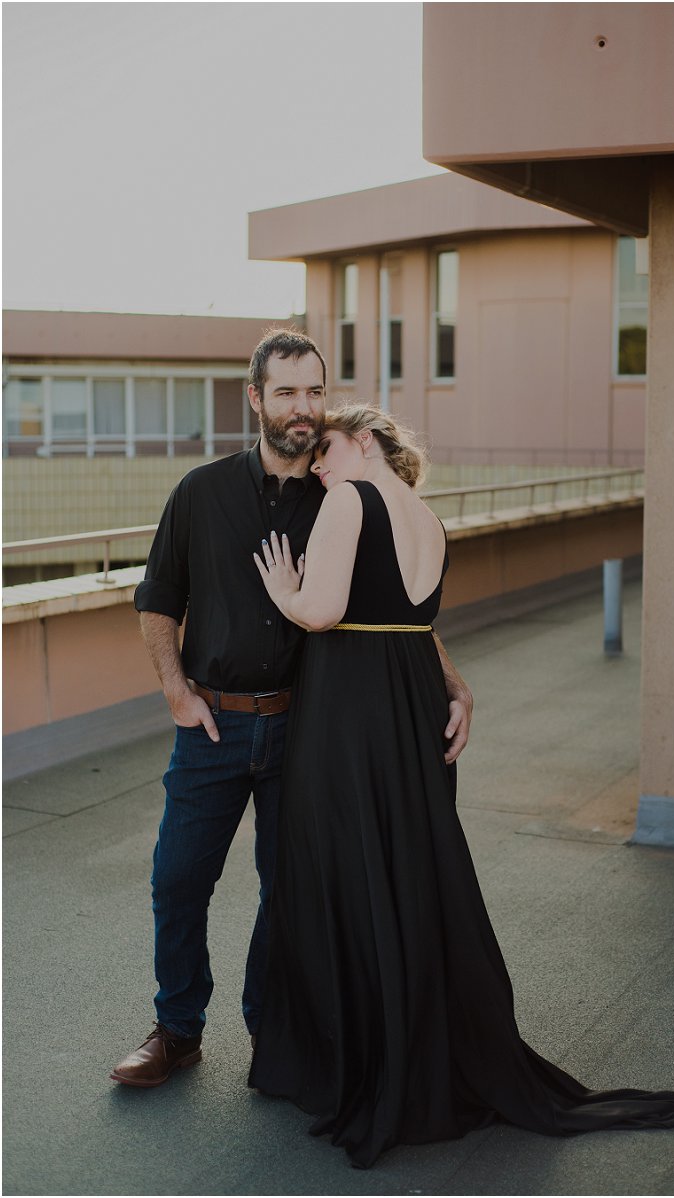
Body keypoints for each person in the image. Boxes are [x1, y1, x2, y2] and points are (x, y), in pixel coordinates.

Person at [248, 403, 674, 1169]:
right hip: (409, 700)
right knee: (408, 871)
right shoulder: (428, 519)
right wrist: (455, 687)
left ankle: (350, 1064)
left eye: (328, 450)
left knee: (344, 865)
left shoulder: (349, 497)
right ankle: (414, 1048)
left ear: (363, 442)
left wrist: (283, 588)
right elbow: (411, 621)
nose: (320, 466)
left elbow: (325, 611)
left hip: (351, 709)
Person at [109, 333, 473, 1087]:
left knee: (293, 888)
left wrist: (453, 680)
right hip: (214, 725)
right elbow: (157, 601)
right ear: (256, 399)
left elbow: (391, 607)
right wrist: (176, 692)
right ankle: (176, 1030)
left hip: (311, 727)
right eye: (286, 393)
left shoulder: (343, 491)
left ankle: (272, 1028)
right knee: (178, 879)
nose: (303, 408)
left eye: (314, 392)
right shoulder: (200, 492)